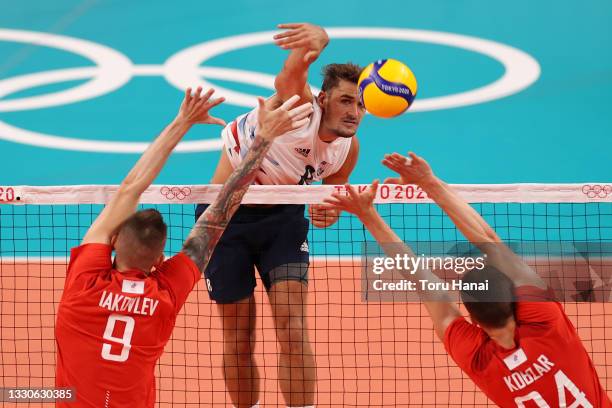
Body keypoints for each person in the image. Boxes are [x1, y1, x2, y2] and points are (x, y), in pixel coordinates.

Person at [55, 88, 312, 407]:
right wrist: (262, 140)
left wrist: (182, 121)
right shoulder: (165, 294)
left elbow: (131, 187)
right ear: (160, 260)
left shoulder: (84, 282)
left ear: (114, 242)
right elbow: (221, 210)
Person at [322, 152, 612, 408]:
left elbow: (425, 283)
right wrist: (429, 183)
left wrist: (368, 215)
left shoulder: (478, 358)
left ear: (473, 319)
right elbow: (489, 240)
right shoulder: (544, 322)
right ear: (514, 300)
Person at [196, 22, 366, 408]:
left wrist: (329, 209)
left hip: (283, 221)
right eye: (345, 100)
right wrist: (315, 46)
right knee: (238, 337)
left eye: (360, 104)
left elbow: (332, 186)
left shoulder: (347, 148)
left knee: (292, 327)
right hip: (224, 219)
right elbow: (291, 74)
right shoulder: (300, 110)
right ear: (323, 99)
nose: (354, 112)